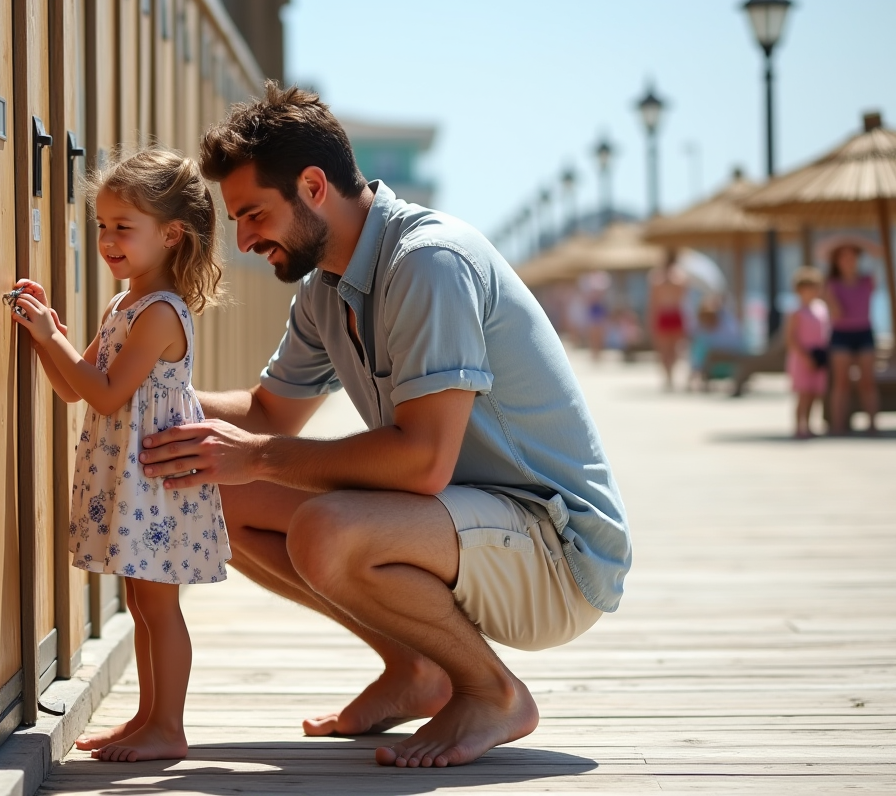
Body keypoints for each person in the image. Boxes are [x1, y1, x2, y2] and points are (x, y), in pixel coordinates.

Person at [136, 83, 631, 768]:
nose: (246, 242)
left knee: (327, 528)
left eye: (253, 215)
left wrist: (261, 457)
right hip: (461, 526)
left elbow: (423, 461)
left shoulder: (428, 262)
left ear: (313, 187)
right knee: (217, 491)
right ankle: (416, 668)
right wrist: (132, 392)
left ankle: (492, 693)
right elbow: (268, 413)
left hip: (556, 552)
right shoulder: (325, 288)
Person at [9, 148, 230, 763]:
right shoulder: (121, 304)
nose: (107, 239)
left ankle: (170, 727)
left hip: (156, 477)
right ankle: (146, 718)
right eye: (102, 225)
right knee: (141, 601)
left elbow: (105, 396)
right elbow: (74, 385)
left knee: (159, 606)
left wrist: (53, 337)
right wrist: (46, 329)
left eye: (123, 228)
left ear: (171, 234)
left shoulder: (159, 313)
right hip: (132, 474)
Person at [823, 242, 880, 434]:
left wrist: (858, 241)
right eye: (843, 257)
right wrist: (830, 299)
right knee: (841, 382)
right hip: (841, 334)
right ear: (837, 261)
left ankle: (872, 425)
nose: (848, 261)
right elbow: (836, 313)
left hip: (864, 332)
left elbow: (879, 255)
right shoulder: (832, 284)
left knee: (867, 381)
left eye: (852, 256)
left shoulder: (867, 280)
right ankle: (838, 426)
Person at [785, 267, 832, 438]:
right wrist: (805, 357)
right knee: (803, 394)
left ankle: (810, 425)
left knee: (814, 393)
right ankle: (799, 426)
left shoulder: (822, 308)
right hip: (802, 358)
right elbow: (790, 338)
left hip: (819, 355)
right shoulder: (796, 311)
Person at [648, 251, 688, 390]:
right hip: (670, 313)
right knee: (669, 348)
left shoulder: (665, 276)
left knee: (669, 348)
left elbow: (653, 302)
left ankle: (669, 376)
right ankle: (669, 376)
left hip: (668, 313)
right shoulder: (675, 275)